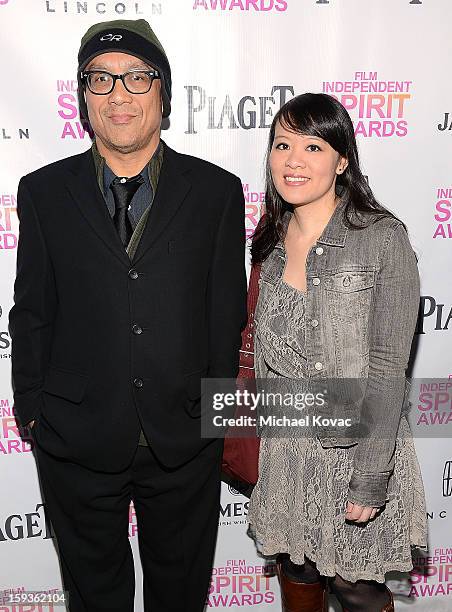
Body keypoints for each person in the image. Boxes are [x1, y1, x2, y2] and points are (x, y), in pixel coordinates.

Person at [9, 18, 247, 612]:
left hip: (184, 439)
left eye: (137, 77)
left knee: (180, 596)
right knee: (94, 597)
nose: (119, 93)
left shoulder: (217, 191)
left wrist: (212, 417)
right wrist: (33, 411)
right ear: (83, 97)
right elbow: (32, 309)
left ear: (163, 92)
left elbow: (226, 314)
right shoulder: (42, 191)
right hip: (74, 436)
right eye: (101, 79)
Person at [246, 93, 427, 612]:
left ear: (342, 159)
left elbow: (390, 370)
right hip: (287, 449)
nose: (293, 160)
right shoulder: (270, 241)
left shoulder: (382, 239)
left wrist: (371, 479)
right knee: (296, 569)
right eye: (282, 145)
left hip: (355, 447)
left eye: (313, 146)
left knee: (356, 587)